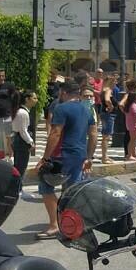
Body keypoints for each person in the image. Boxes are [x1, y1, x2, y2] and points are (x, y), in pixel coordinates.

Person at [35, 81, 96, 239]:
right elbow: (94, 134)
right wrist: (89, 157)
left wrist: (45, 158)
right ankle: (71, 225)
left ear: (63, 93)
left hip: (61, 155)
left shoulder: (61, 108)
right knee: (71, 191)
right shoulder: (87, 109)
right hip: (79, 155)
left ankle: (55, 225)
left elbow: (55, 133)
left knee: (45, 187)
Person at [10, 90, 38, 177]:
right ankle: (17, 188)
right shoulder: (23, 113)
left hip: (18, 140)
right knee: (21, 168)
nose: (36, 100)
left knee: (18, 166)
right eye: (34, 98)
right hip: (21, 141)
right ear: (27, 99)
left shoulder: (20, 111)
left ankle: (17, 187)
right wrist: (30, 142)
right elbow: (23, 131)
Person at [98, 76, 117, 164]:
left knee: (105, 136)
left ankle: (104, 155)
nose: (115, 84)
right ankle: (104, 157)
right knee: (106, 136)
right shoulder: (108, 90)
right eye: (114, 82)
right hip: (108, 115)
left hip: (104, 114)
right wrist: (111, 106)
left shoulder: (103, 89)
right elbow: (107, 100)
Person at [123, 85, 136, 161]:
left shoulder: (129, 105)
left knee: (134, 140)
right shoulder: (134, 106)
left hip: (130, 125)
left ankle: (133, 153)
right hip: (134, 125)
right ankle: (129, 155)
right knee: (132, 140)